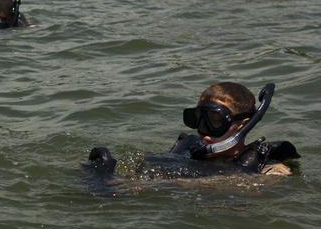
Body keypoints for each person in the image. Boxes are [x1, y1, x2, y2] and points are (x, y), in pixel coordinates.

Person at [85, 81, 300, 181]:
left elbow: (269, 185)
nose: (204, 131)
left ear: (243, 124)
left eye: (215, 121)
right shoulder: (189, 149)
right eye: (199, 119)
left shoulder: (267, 168)